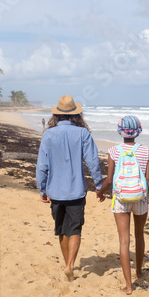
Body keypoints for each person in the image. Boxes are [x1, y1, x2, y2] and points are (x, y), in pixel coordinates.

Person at [97, 115, 149, 295]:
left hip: (121, 199)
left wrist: (100, 192)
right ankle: (139, 272)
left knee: (124, 240)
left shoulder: (113, 151)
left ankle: (128, 286)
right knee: (139, 236)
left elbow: (110, 179)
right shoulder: (145, 151)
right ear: (138, 131)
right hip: (141, 199)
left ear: (120, 131)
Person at [36, 95, 103, 282]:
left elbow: (42, 165)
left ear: (57, 115)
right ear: (76, 115)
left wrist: (42, 189)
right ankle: (70, 265)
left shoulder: (48, 134)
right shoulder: (83, 134)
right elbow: (93, 162)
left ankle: (68, 264)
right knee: (75, 229)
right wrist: (99, 186)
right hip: (76, 190)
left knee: (61, 230)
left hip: (55, 191)